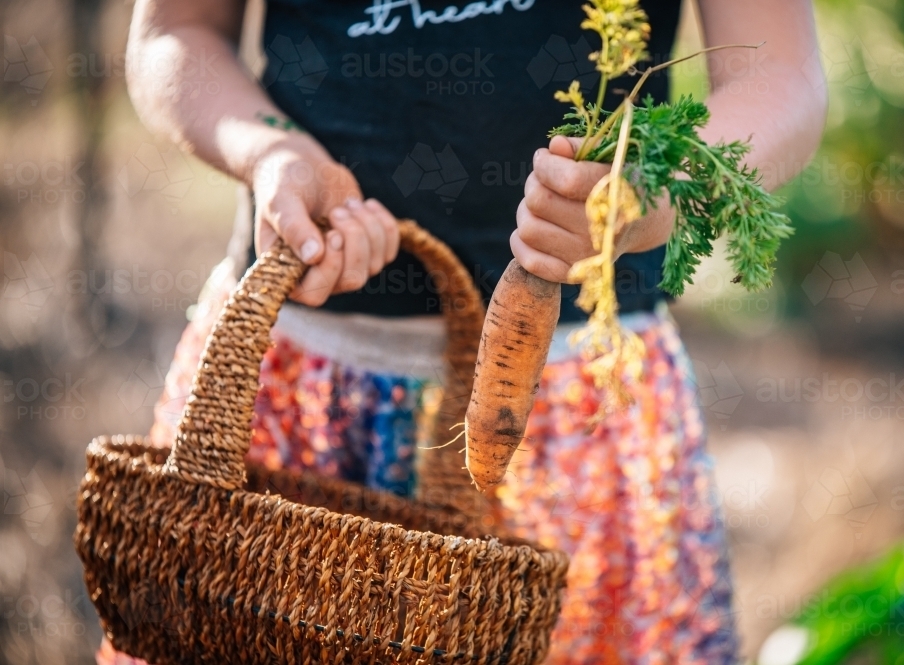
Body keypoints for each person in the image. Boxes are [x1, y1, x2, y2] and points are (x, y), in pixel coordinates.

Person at [106, 0, 826, 662]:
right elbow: (176, 31)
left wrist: (657, 194)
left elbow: (781, 74)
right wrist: (272, 154)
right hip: (295, 399)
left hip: (582, 413)